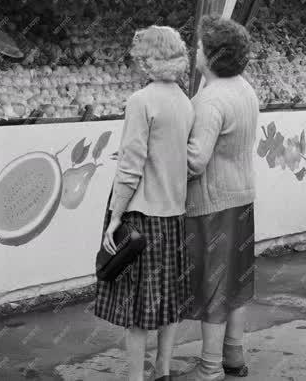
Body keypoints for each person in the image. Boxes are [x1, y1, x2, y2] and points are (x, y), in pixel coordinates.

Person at [94, 25, 194, 381]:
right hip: (174, 214)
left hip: (141, 215)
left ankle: (136, 378)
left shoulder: (141, 101)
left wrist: (114, 216)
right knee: (168, 302)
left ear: (146, 59)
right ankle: (163, 370)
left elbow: (131, 168)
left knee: (135, 308)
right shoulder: (184, 100)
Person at [185, 15, 260, 381]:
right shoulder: (245, 89)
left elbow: (195, 161)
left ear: (212, 57)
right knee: (237, 282)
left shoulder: (210, 100)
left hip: (213, 204)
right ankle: (234, 355)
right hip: (242, 197)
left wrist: (159, 154)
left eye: (199, 46)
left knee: (213, 286)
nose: (194, 50)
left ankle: (210, 366)